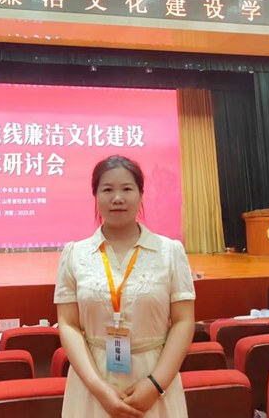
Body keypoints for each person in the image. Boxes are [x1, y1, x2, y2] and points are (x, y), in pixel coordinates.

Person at [54, 155, 195, 417]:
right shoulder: (74, 254)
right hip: (93, 383)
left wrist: (155, 385)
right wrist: (100, 390)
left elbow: (183, 321)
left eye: (127, 189)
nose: (117, 198)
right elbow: (68, 324)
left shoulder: (170, 252)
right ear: (95, 195)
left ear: (141, 194)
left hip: (154, 381)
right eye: (107, 189)